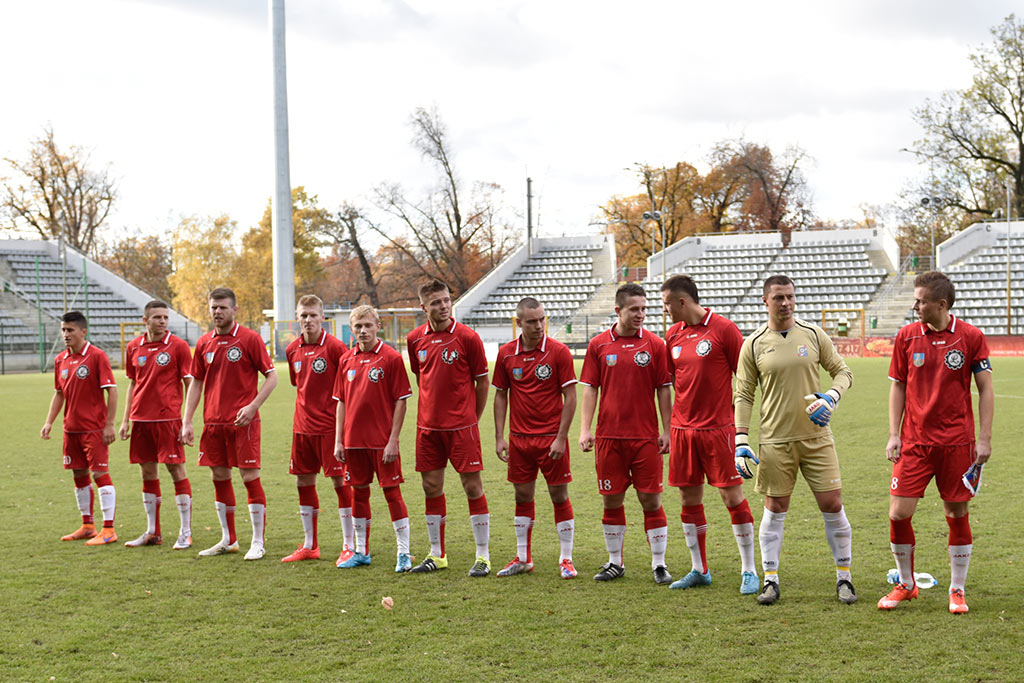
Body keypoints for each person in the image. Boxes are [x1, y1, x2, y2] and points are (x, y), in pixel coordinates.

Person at [733, 274, 856, 605]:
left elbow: (844, 372)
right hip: (775, 441)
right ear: (765, 301)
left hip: (817, 438)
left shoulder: (814, 334)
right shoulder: (754, 343)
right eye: (778, 298)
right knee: (775, 508)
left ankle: (844, 577)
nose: (786, 303)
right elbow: (743, 394)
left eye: (790, 296)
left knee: (832, 504)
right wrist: (741, 440)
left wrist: (830, 397)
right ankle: (770, 580)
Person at [878, 271, 993, 614]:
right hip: (914, 442)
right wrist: (894, 433)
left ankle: (957, 590)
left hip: (958, 443)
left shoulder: (971, 337)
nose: (915, 306)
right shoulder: (906, 336)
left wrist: (984, 439)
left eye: (921, 301)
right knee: (899, 513)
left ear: (941, 305)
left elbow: (985, 389)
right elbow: (898, 385)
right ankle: (906, 583)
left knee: (956, 512)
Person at [660, 275, 758, 594]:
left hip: (719, 430)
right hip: (683, 431)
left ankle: (749, 569)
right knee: (689, 498)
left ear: (682, 302)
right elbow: (677, 380)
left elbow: (744, 379)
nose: (664, 311)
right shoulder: (672, 334)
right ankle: (699, 568)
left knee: (732, 496)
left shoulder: (724, 330)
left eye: (666, 305)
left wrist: (736, 423)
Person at [578, 283, 674, 584]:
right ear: (618, 310)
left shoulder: (656, 345)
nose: (641, 314)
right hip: (609, 438)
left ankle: (659, 563)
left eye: (644, 309)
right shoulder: (598, 345)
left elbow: (663, 389)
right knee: (611, 501)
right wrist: (585, 429)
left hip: (645, 438)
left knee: (651, 501)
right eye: (635, 309)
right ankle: (615, 562)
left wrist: (667, 430)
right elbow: (591, 389)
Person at [181, 287, 278, 560]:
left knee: (249, 477)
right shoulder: (203, 343)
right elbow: (196, 383)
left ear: (234, 310)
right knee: (218, 477)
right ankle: (228, 539)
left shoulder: (249, 339)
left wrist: (253, 406)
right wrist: (187, 420)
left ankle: (258, 541)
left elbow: (271, 377)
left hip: (243, 423)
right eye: (214, 307)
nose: (218, 312)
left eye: (223, 307)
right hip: (213, 423)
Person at [406, 279, 491, 576]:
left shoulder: (468, 337)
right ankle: (436, 554)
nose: (443, 307)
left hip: (462, 428)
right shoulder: (415, 339)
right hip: (427, 428)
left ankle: (483, 556)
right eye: (435, 303)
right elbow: (422, 378)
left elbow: (483, 382)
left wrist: (472, 417)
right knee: (431, 488)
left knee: (472, 487)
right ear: (423, 307)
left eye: (446, 300)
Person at [493, 297, 579, 579]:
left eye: (542, 319)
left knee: (559, 494)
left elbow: (570, 397)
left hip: (551, 440)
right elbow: (501, 395)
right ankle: (523, 557)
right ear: (519, 322)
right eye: (532, 321)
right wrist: (499, 436)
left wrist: (561, 437)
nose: (539, 325)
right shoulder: (506, 354)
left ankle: (566, 559)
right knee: (522, 495)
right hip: (519, 441)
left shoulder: (559, 352)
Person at [333, 305, 415, 572]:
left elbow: (401, 401)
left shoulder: (390, 358)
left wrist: (393, 440)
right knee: (358, 494)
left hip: (382, 442)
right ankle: (361, 551)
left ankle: (404, 553)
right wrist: (338, 440)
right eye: (358, 326)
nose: (363, 331)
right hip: (353, 442)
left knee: (392, 492)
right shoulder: (346, 360)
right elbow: (341, 403)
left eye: (368, 325)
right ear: (352, 329)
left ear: (378, 326)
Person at [280, 295, 354, 564]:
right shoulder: (291, 350)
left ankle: (349, 544)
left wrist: (343, 432)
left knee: (340, 482)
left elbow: (348, 388)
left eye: (313, 315)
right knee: (303, 481)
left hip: (330, 429)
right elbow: (297, 385)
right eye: (303, 315)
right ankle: (310, 545)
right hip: (302, 428)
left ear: (323, 317)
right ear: (297, 318)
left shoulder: (335, 348)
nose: (308, 320)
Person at [119, 300, 195, 549]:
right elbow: (132, 384)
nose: (162, 321)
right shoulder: (133, 347)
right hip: (141, 420)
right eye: (157, 317)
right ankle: (153, 532)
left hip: (168, 420)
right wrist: (125, 419)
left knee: (176, 471)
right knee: (148, 473)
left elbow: (189, 383)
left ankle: (186, 532)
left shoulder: (179, 346)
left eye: (165, 317)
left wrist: (187, 421)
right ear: (145, 321)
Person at [41, 311, 119, 545]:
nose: (66, 334)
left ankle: (109, 529)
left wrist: (109, 424)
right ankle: (87, 525)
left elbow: (112, 390)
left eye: (70, 330)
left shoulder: (96, 356)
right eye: (63, 330)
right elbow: (59, 393)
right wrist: (49, 422)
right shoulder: (60, 360)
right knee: (78, 474)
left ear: (83, 331)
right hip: (71, 430)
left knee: (99, 474)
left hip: (94, 429)